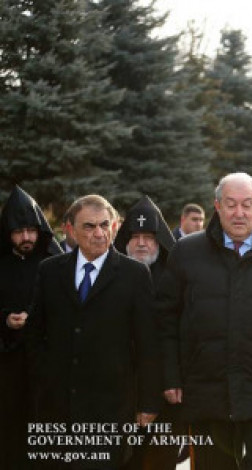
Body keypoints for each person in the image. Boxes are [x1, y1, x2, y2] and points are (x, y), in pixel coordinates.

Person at [156, 172, 252, 469]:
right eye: (230, 204)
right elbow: (166, 320)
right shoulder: (187, 251)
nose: (239, 212)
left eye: (247, 204)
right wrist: (171, 376)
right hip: (205, 390)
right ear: (217, 207)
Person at [26, 194, 161, 468]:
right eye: (89, 226)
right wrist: (45, 377)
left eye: (104, 225)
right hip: (58, 404)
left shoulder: (134, 274)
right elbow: (34, 333)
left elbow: (147, 342)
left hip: (110, 407)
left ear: (114, 227)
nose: (99, 233)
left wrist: (148, 402)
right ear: (70, 229)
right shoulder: (50, 271)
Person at [114, 195, 181, 470]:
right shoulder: (112, 274)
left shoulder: (176, 277)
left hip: (165, 386)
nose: (141, 243)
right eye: (135, 236)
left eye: (149, 237)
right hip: (120, 388)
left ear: (160, 241)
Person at [0, 186, 62, 470]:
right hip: (7, 363)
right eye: (19, 231)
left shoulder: (53, 262)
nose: (26, 237)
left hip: (45, 362)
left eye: (31, 230)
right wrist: (5, 320)